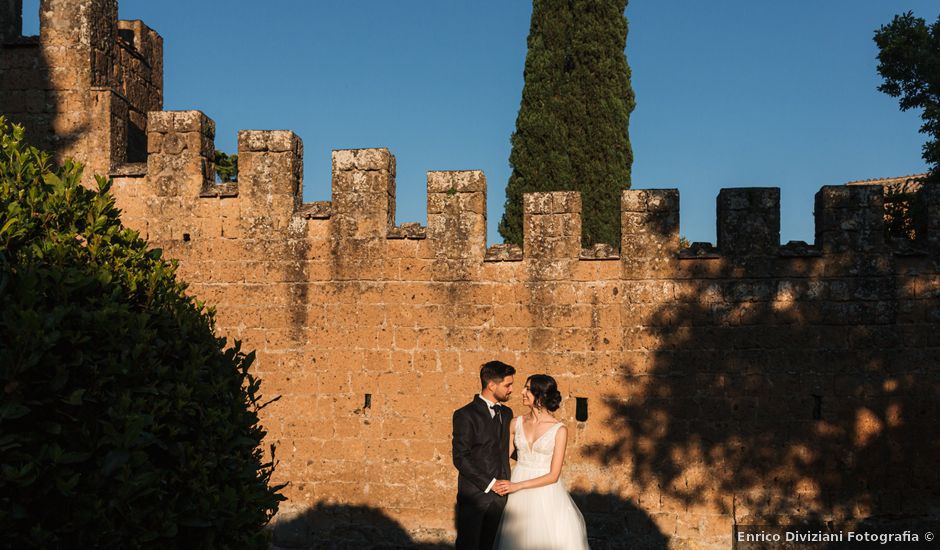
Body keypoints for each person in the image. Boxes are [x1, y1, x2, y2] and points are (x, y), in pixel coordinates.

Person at [492, 374, 590, 550]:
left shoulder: (559, 430)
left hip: (545, 492)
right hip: (517, 490)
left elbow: (553, 475)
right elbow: (500, 457)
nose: (522, 392)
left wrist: (518, 486)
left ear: (541, 395)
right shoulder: (515, 423)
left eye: (528, 389)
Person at [452, 360, 516, 550]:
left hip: (502, 497)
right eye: (508, 385)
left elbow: (510, 448)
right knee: (469, 546)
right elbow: (460, 457)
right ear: (491, 385)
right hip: (475, 496)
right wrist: (490, 484)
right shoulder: (465, 414)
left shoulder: (507, 413)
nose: (511, 389)